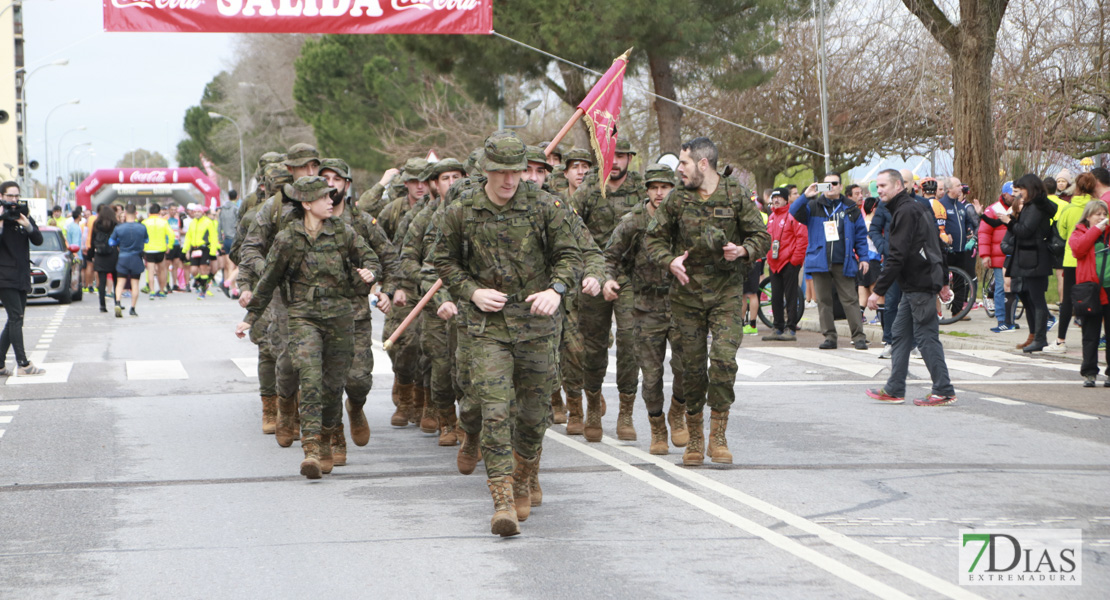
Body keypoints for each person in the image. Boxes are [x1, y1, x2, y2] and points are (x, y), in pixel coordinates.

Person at [434, 130, 581, 536]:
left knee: (534, 416)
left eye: (516, 172)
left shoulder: (544, 205)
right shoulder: (461, 209)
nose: (510, 181)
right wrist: (471, 291)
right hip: (487, 327)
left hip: (536, 323)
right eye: (501, 172)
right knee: (496, 411)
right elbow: (443, 261)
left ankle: (525, 474)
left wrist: (557, 288)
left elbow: (571, 254)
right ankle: (501, 499)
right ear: (485, 170)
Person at [237, 176, 380, 479]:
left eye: (332, 195)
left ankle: (328, 438)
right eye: (324, 197)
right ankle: (312, 448)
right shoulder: (288, 238)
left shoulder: (343, 231)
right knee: (311, 378)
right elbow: (269, 280)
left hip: (341, 316)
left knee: (333, 386)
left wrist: (370, 272)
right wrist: (249, 318)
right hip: (303, 316)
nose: (332, 200)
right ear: (306, 203)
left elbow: (370, 257)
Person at [644, 136, 770, 466]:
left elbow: (762, 236)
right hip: (686, 295)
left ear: (703, 164)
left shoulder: (735, 194)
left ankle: (719, 435)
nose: (679, 170)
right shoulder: (676, 200)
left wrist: (744, 250)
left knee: (725, 360)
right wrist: (668, 260)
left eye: (683, 163)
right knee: (691, 367)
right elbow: (653, 239)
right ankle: (696, 436)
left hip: (727, 291)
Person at [603, 163, 687, 454]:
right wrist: (609, 280)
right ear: (647, 190)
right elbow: (610, 255)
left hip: (680, 304)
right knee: (651, 377)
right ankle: (657, 425)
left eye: (665, 187)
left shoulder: (684, 218)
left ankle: (678, 411)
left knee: (687, 368)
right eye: (654, 187)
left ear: (674, 189)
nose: (660, 193)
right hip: (646, 306)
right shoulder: (633, 220)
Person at [571, 139, 643, 442]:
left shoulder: (641, 188)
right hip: (595, 274)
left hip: (629, 275)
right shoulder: (589, 187)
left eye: (621, 157)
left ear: (629, 159)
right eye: (610, 156)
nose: (615, 162)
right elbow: (571, 226)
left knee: (629, 340)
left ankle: (625, 411)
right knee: (593, 345)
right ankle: (591, 407)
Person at [865, 170, 955, 406]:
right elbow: (938, 244)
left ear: (898, 186)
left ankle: (943, 390)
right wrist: (943, 280)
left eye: (884, 185)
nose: (879, 190)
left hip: (919, 282)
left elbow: (897, 256)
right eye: (878, 186)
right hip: (916, 283)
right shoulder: (913, 207)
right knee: (900, 334)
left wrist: (878, 290)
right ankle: (895, 388)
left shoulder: (905, 211)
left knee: (925, 337)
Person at [791, 173, 871, 350]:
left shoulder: (850, 208)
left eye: (834, 184)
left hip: (843, 260)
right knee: (824, 300)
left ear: (841, 186)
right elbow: (793, 212)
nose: (830, 187)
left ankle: (858, 336)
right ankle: (829, 336)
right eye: (826, 184)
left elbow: (860, 236)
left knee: (850, 299)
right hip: (819, 260)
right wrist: (806, 195)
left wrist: (863, 257)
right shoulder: (813, 205)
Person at [998, 174, 1055, 353]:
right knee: (1032, 298)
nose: (1019, 193)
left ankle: (1040, 338)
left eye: (1021, 189)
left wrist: (1009, 222)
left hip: (1034, 257)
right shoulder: (1034, 205)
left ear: (1029, 188)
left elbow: (1024, 231)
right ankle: (1036, 336)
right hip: (1030, 256)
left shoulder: (1035, 207)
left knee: (1037, 300)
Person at [1047, 172, 1098, 354]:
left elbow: (1062, 231)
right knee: (1093, 299)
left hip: (1071, 258)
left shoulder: (1069, 208)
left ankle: (1061, 340)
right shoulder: (1099, 207)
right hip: (1093, 259)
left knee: (1068, 300)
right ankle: (1092, 339)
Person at [0, 182, 46, 377]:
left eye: (17, 196)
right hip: (4, 276)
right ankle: (23, 364)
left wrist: (26, 224)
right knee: (16, 317)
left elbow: (38, 239)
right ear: (1, 196)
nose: (14, 200)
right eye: (10, 196)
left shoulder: (22, 216)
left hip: (21, 275)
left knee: (15, 320)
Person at [1067, 199, 1110, 386]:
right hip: (1090, 290)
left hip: (1108, 288)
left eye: (1104, 214)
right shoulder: (1079, 233)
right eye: (1097, 214)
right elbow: (1078, 249)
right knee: (1090, 334)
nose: (1101, 218)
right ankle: (1090, 373)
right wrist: (1096, 230)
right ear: (1088, 216)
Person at [762, 187, 808, 341]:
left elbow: (802, 238)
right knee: (775, 297)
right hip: (774, 263)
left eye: (779, 198)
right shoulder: (771, 217)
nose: (775, 200)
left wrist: (795, 260)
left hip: (789, 262)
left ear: (786, 200)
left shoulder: (793, 215)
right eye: (773, 198)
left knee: (791, 296)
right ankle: (777, 327)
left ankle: (791, 327)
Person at [979, 183, 1018, 331]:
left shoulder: (1018, 208)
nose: (1014, 197)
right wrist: (985, 255)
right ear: (1004, 194)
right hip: (998, 257)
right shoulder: (993, 209)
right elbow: (984, 233)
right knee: (1001, 288)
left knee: (1014, 288)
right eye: (1011, 194)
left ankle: (1010, 319)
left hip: (1013, 256)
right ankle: (1001, 318)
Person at [109, 204, 149, 318]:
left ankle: (117, 302)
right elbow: (146, 239)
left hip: (123, 257)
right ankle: (132, 308)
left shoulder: (119, 228)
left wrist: (118, 242)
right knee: (135, 284)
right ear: (136, 213)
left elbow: (111, 242)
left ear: (125, 213)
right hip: (136, 257)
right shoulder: (142, 227)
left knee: (120, 282)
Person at [183, 204, 220, 298]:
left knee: (203, 269)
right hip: (195, 248)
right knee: (193, 270)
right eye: (195, 212)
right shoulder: (192, 223)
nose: (197, 213)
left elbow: (213, 236)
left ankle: (203, 291)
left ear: (203, 213)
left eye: (199, 212)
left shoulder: (208, 222)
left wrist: (212, 251)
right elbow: (188, 237)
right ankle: (202, 283)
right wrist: (186, 250)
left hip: (205, 248)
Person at [142, 202, 174, 299]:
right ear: (159, 212)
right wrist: (169, 246)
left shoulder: (145, 222)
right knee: (162, 271)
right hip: (161, 249)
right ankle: (161, 290)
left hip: (149, 249)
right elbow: (171, 235)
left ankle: (151, 291)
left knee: (151, 271)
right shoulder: (163, 222)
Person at [217, 189, 240, 297]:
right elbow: (239, 225)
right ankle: (230, 286)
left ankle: (231, 288)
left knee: (228, 266)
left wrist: (220, 240)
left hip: (225, 239)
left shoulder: (222, 210)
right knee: (236, 266)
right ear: (237, 197)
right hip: (234, 239)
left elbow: (219, 226)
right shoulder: (236, 209)